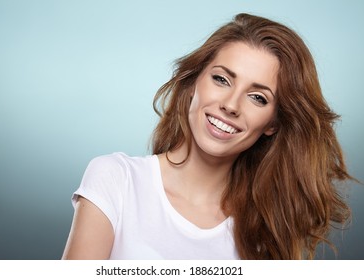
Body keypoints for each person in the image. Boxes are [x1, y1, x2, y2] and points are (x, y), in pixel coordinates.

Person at [62, 13, 352, 260]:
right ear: (194, 83)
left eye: (257, 98)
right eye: (221, 79)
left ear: (273, 124)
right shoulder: (115, 180)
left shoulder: (267, 230)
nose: (230, 105)